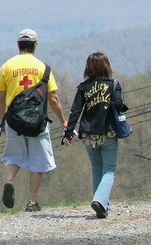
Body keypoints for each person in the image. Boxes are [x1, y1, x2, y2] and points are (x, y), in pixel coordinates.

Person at [0, 28, 67, 212]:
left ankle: (10, 180)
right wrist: (63, 120)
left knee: (13, 156)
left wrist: (3, 120)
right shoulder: (44, 68)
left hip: (14, 120)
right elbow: (53, 98)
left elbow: (0, 98)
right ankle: (32, 202)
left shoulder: (7, 66)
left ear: (18, 45)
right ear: (35, 45)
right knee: (38, 161)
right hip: (37, 122)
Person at [63, 52, 128, 218]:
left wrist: (68, 133)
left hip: (87, 135)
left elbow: (75, 111)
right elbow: (119, 105)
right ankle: (99, 200)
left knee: (97, 168)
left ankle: (102, 207)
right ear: (107, 66)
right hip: (108, 133)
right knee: (109, 170)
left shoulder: (83, 87)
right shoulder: (113, 84)